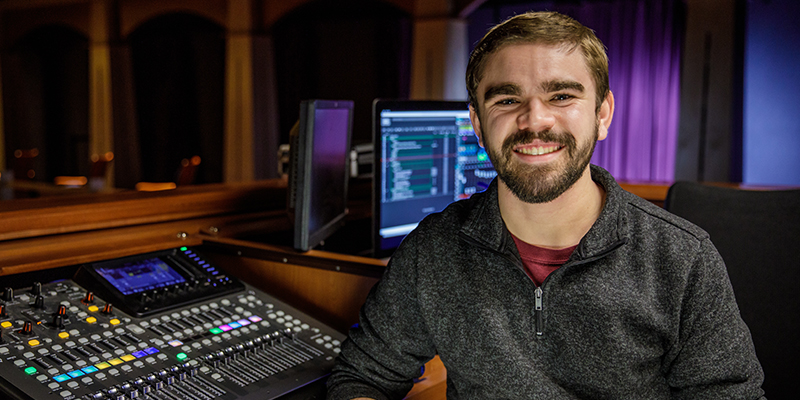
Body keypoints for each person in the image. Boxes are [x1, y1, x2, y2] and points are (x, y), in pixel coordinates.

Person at [326, 11, 765, 400]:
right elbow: (362, 376)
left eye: (561, 96)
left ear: (603, 114)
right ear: (478, 125)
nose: (535, 120)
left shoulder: (683, 258)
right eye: (507, 99)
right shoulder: (433, 249)